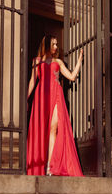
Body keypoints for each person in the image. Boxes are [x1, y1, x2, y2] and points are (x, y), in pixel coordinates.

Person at [27, 35, 84, 176]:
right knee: (41, 131)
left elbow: (71, 77)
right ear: (46, 45)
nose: (56, 47)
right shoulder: (36, 61)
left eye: (56, 44)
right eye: (53, 44)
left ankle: (49, 166)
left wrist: (79, 61)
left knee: (54, 128)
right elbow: (32, 81)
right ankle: (39, 163)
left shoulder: (58, 61)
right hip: (41, 96)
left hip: (56, 94)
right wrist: (26, 98)